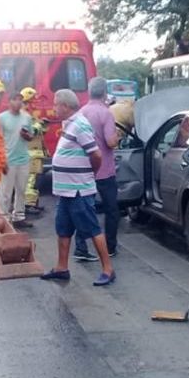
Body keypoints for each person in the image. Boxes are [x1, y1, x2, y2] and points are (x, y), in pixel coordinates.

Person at [41, 89, 116, 286]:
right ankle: (61, 268)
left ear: (65, 106)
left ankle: (108, 269)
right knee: (63, 229)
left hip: (78, 189)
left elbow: (96, 155)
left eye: (56, 104)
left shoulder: (80, 125)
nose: (54, 108)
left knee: (92, 229)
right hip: (66, 190)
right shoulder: (71, 124)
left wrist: (90, 174)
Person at [74, 77, 121, 261]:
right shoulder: (106, 113)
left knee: (84, 209)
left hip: (84, 169)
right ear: (104, 93)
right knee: (111, 210)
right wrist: (117, 137)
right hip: (104, 170)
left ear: (89, 91)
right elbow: (110, 142)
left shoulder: (81, 113)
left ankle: (81, 246)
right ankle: (109, 247)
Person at [0, 91, 34, 227]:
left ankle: (19, 216)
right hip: (8, 160)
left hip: (23, 159)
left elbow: (31, 136)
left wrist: (26, 136)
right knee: (6, 191)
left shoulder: (27, 118)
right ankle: (3, 218)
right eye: (16, 99)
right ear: (9, 101)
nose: (19, 102)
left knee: (22, 190)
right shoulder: (1, 118)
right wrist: (2, 160)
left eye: (21, 100)